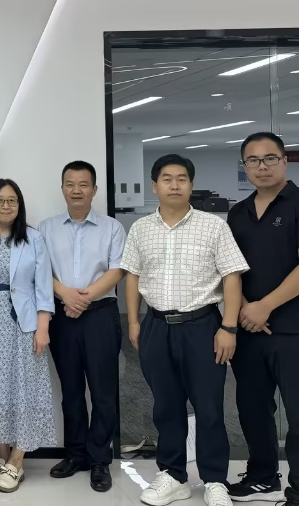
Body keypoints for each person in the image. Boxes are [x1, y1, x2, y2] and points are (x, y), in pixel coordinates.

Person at [121, 154, 248, 506]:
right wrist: (134, 321)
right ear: (154, 186)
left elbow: (232, 277)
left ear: (191, 185)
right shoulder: (140, 229)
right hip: (156, 326)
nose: (174, 185)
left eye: (181, 179)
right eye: (167, 179)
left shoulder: (214, 226)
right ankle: (173, 475)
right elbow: (132, 276)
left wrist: (229, 327)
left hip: (203, 327)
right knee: (166, 406)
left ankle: (214, 479)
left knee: (209, 407)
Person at [39, 161, 125, 493]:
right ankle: (76, 454)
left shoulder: (112, 227)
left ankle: (100, 458)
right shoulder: (46, 228)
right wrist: (66, 295)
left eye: (83, 184)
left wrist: (83, 298)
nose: (76, 190)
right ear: (62, 188)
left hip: (100, 314)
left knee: (103, 391)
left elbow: (117, 270)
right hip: (62, 315)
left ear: (94, 189)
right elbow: (40, 270)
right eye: (70, 184)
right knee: (71, 390)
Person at [0, 178, 57, 494]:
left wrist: (43, 326)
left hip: (23, 324)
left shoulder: (33, 239)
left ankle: (18, 460)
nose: (6, 206)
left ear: (19, 206)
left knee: (24, 389)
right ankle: (2, 455)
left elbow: (43, 286)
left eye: (12, 201)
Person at [227, 132, 299, 505]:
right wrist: (243, 309)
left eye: (270, 158)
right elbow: (229, 270)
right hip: (249, 329)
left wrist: (264, 306)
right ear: (245, 166)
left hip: (292, 329)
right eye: (253, 160)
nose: (262, 166)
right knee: (253, 407)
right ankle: (262, 476)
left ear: (284, 161)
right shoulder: (237, 213)